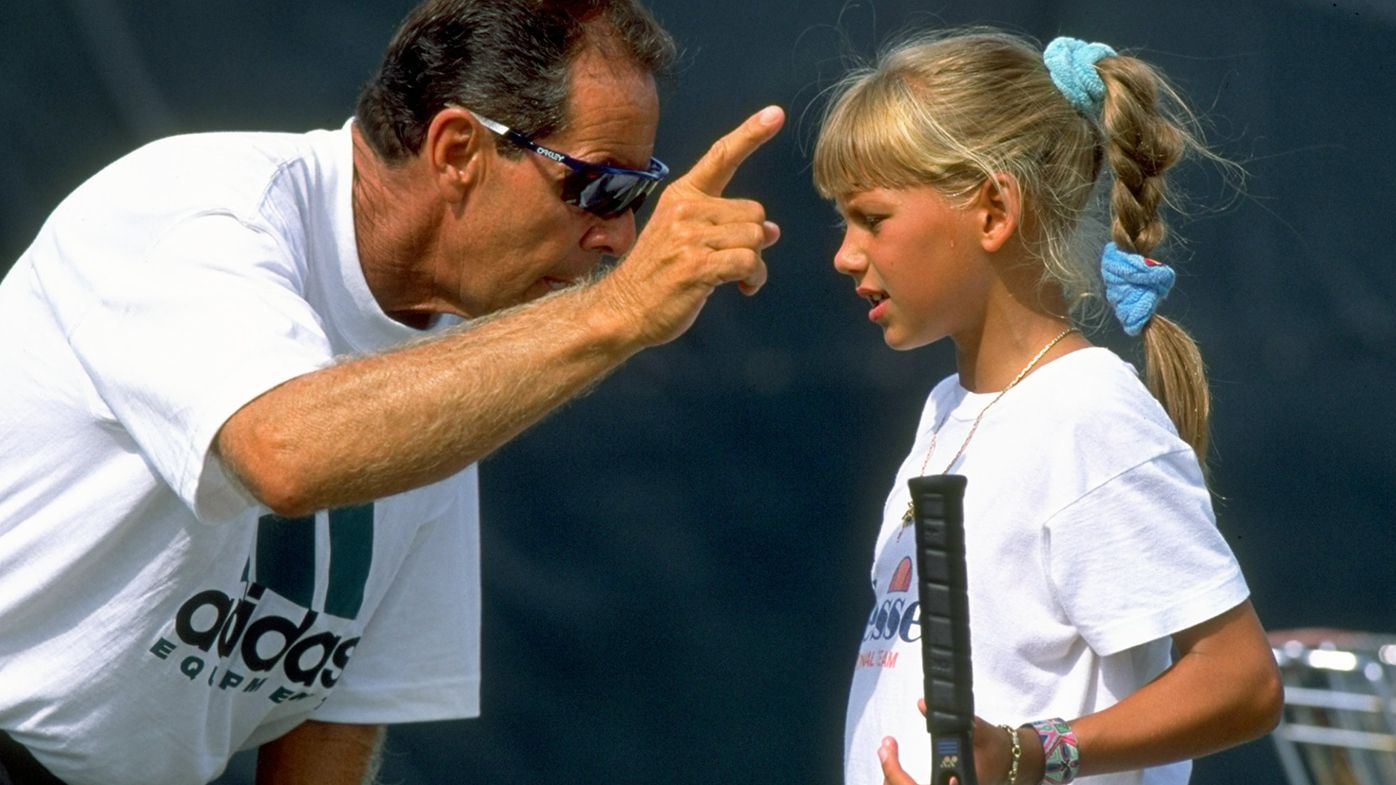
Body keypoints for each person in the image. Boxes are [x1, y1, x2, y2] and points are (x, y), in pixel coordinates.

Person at [0, 1, 785, 783]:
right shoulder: (193, 207)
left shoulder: (449, 353)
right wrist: (619, 311)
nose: (619, 240)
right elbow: (284, 453)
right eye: (599, 188)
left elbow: (335, 715)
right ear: (457, 150)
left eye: (637, 195)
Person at [811, 29, 1283, 785]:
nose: (844, 253)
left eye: (871, 217)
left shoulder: (1086, 412)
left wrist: (1031, 753)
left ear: (994, 209)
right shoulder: (945, 410)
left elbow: (1242, 680)